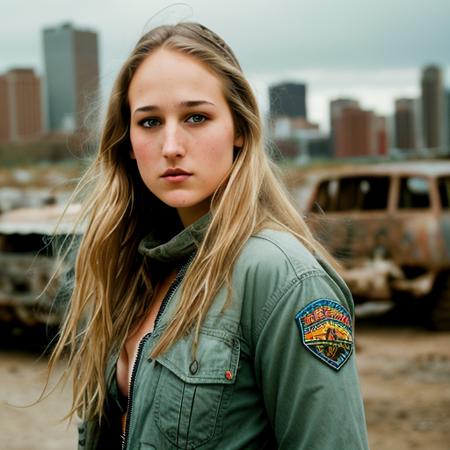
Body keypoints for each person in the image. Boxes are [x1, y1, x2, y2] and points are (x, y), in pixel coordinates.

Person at [49, 22, 369, 450]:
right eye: (149, 122)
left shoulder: (283, 278)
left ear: (239, 128)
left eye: (196, 117)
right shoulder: (128, 269)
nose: (171, 145)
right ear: (127, 141)